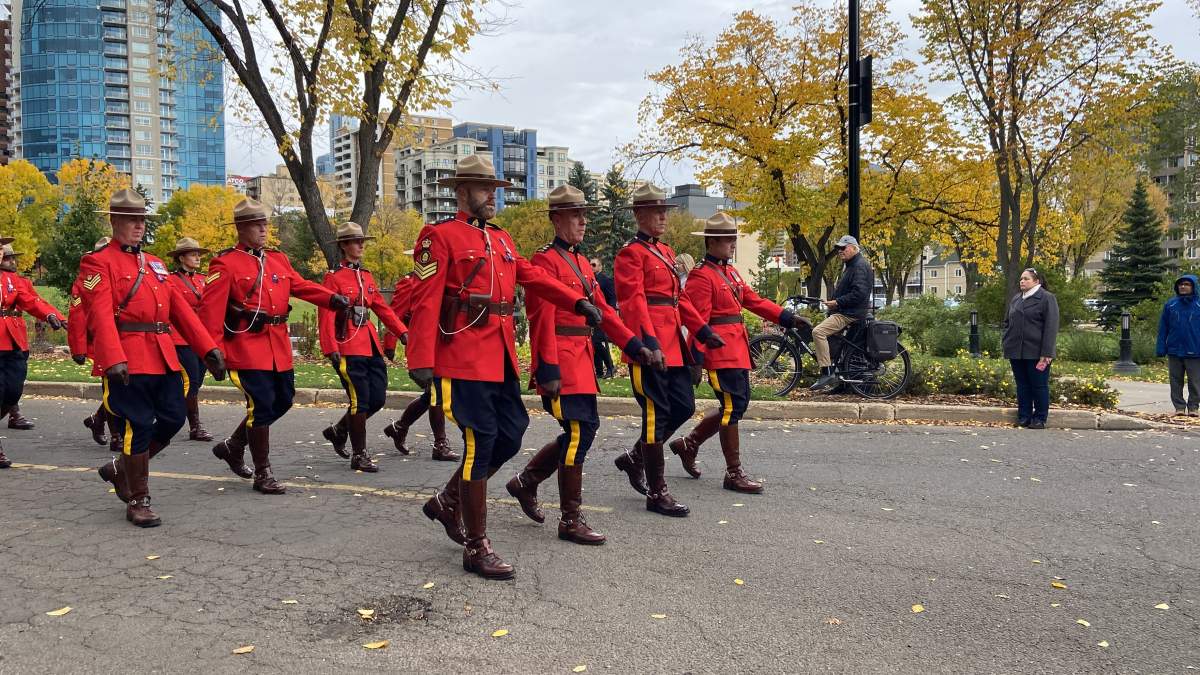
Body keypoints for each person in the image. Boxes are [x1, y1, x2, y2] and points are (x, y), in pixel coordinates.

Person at [406, 154, 602, 580]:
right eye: (484, 188)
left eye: (496, 189)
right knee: (481, 441)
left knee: (511, 436)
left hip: (499, 358)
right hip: (461, 357)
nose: (492, 195)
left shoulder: (503, 239)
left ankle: (447, 501)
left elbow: (532, 277)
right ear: (461, 192)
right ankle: (476, 546)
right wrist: (421, 359)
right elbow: (425, 300)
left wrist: (576, 301)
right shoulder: (439, 236)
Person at [505, 185, 653, 545]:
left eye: (585, 215)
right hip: (560, 359)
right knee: (577, 433)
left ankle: (525, 482)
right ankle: (570, 518)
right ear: (556, 220)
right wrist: (547, 367)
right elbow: (540, 317)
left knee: (584, 430)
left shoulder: (583, 262)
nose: (583, 221)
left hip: (582, 359)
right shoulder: (545, 261)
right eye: (575, 215)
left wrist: (633, 343)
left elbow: (602, 313)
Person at [84, 189, 227, 527]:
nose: (138, 225)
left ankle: (121, 469)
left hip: (163, 355)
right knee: (139, 425)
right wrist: (113, 356)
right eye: (131, 219)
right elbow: (101, 314)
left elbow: (181, 312)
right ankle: (138, 497)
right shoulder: (98, 261)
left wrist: (208, 349)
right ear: (115, 221)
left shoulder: (156, 264)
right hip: (127, 356)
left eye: (142, 219)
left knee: (175, 417)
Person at [199, 198, 348, 494]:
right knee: (262, 404)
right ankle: (263, 473)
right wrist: (212, 352)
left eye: (265, 223)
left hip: (278, 346)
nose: (264, 229)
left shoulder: (277, 259)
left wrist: (331, 298)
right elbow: (210, 312)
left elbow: (301, 285)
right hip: (245, 347)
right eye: (257, 224)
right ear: (241, 228)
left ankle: (233, 445)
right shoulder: (225, 263)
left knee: (283, 400)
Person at [671, 213, 812, 493]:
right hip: (719, 352)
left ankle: (689, 444)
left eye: (733, 239)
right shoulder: (701, 276)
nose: (732, 244)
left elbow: (753, 300)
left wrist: (787, 317)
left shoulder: (729, 272)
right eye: (727, 239)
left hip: (737, 351)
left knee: (736, 405)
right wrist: (695, 360)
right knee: (732, 408)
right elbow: (696, 321)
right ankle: (733, 473)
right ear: (711, 241)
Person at [611, 183, 723, 517]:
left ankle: (634, 459)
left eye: (665, 211)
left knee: (684, 407)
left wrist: (702, 331)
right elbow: (634, 302)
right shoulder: (630, 254)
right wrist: (650, 343)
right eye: (655, 211)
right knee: (654, 416)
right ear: (638, 215)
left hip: (673, 346)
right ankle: (657, 492)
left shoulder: (668, 252)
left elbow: (680, 300)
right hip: (650, 348)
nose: (662, 216)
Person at [317, 222, 409, 473]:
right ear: (344, 245)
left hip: (369, 344)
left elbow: (381, 307)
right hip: (347, 344)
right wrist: (330, 347)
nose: (361, 245)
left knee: (377, 398)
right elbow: (325, 313)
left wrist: (401, 331)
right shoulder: (333, 277)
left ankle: (339, 431)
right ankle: (359, 454)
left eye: (362, 241)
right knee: (360, 401)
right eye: (355, 241)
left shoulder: (366, 276)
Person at [381, 267, 458, 461]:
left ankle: (399, 427)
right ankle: (440, 444)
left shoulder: (447, 280)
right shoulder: (411, 282)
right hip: (423, 346)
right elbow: (395, 314)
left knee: (432, 394)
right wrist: (390, 343)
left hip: (442, 344)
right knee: (436, 393)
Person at [0, 243, 65, 431]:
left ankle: (13, 411)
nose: (10, 260)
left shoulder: (11, 279)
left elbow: (31, 300)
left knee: (13, 390)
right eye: (7, 256)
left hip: (12, 339)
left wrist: (52, 315)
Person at [69, 237, 118, 452]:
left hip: (127, 337)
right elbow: (78, 315)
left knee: (124, 387)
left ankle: (98, 419)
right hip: (103, 340)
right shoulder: (86, 279)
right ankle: (116, 435)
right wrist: (78, 348)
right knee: (113, 388)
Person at [165, 237, 214, 441]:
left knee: (196, 382)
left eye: (198, 254)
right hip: (181, 338)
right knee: (191, 381)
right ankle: (195, 427)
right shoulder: (171, 280)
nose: (197, 258)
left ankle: (166, 410)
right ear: (182, 258)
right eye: (193, 254)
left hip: (202, 338)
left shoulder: (204, 279)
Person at [811, 235, 874, 392]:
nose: (840, 251)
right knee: (840, 349)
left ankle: (826, 373)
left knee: (818, 332)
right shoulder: (851, 265)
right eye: (838, 249)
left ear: (853, 248)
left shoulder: (859, 266)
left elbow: (859, 293)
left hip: (849, 313)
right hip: (846, 311)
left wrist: (837, 302)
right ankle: (841, 384)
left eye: (843, 248)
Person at [1002, 268, 1059, 429]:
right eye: (1021, 279)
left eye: (1026, 279)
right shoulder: (1016, 299)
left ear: (1036, 281)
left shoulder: (1047, 298)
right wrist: (1006, 340)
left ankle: (1040, 418)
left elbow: (1051, 327)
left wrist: (1047, 352)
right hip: (1016, 351)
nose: (1022, 281)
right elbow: (1007, 322)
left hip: (1037, 352)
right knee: (1022, 385)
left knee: (1039, 385)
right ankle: (1024, 416)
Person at [1157, 274, 1200, 416]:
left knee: (1195, 381)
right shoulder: (1170, 305)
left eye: (1187, 284)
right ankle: (1179, 408)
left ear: (1193, 287)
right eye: (1181, 284)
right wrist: (1161, 347)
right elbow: (1163, 328)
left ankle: (1193, 407)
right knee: (1175, 381)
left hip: (1195, 350)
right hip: (1174, 350)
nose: (1183, 286)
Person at [590, 257, 618, 379]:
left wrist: (609, 312)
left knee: (596, 341)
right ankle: (599, 371)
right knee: (593, 343)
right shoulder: (589, 279)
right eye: (590, 264)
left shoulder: (606, 280)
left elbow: (612, 298)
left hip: (602, 314)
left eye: (594, 265)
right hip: (591, 315)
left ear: (600, 267)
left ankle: (611, 366)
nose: (591, 267)